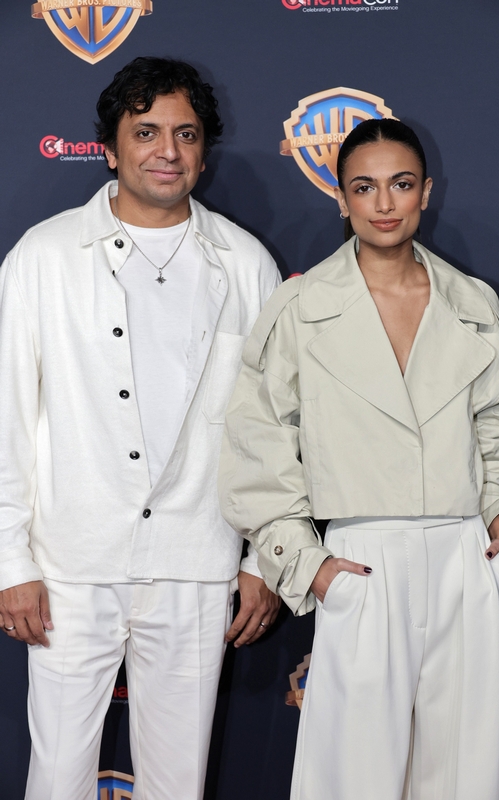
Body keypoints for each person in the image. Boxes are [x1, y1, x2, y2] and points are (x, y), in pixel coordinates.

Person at [219, 119, 499, 800]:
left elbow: (497, 423)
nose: (384, 203)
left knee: (466, 776)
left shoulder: (473, 302)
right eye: (364, 187)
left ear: (426, 192)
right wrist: (306, 563)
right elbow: (257, 442)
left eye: (401, 184)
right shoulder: (300, 306)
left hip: (465, 557)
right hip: (362, 559)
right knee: (351, 778)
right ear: (340, 198)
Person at [0, 56, 280, 800]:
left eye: (185, 134)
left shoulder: (245, 264)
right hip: (71, 562)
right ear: (110, 147)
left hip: (197, 557)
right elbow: (7, 418)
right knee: (56, 774)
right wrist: (10, 562)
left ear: (204, 151)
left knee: (178, 779)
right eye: (146, 131)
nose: (168, 151)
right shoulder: (44, 256)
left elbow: (272, 426)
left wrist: (263, 556)